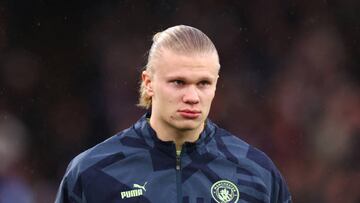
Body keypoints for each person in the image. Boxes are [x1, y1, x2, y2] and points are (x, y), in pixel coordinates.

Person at [55, 25, 292, 203]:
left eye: (203, 83)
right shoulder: (91, 172)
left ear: (216, 85)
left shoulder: (257, 171)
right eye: (178, 82)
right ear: (148, 83)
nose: (192, 96)